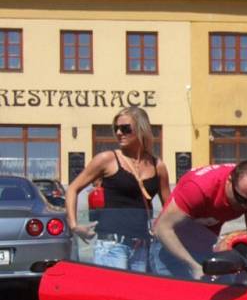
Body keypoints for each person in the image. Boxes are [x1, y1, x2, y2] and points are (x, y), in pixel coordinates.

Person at [66, 106, 170, 271]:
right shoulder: (107, 159)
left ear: (141, 129)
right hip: (111, 246)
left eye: (125, 128)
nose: (119, 133)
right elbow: (73, 188)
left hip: (141, 247)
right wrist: (74, 226)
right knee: (113, 296)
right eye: (116, 129)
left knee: (136, 296)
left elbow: (169, 208)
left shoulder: (158, 166)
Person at [151, 160, 247, 279]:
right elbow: (162, 228)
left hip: (203, 248)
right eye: (241, 199)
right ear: (229, 181)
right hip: (169, 249)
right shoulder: (199, 188)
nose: (245, 206)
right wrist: (194, 266)